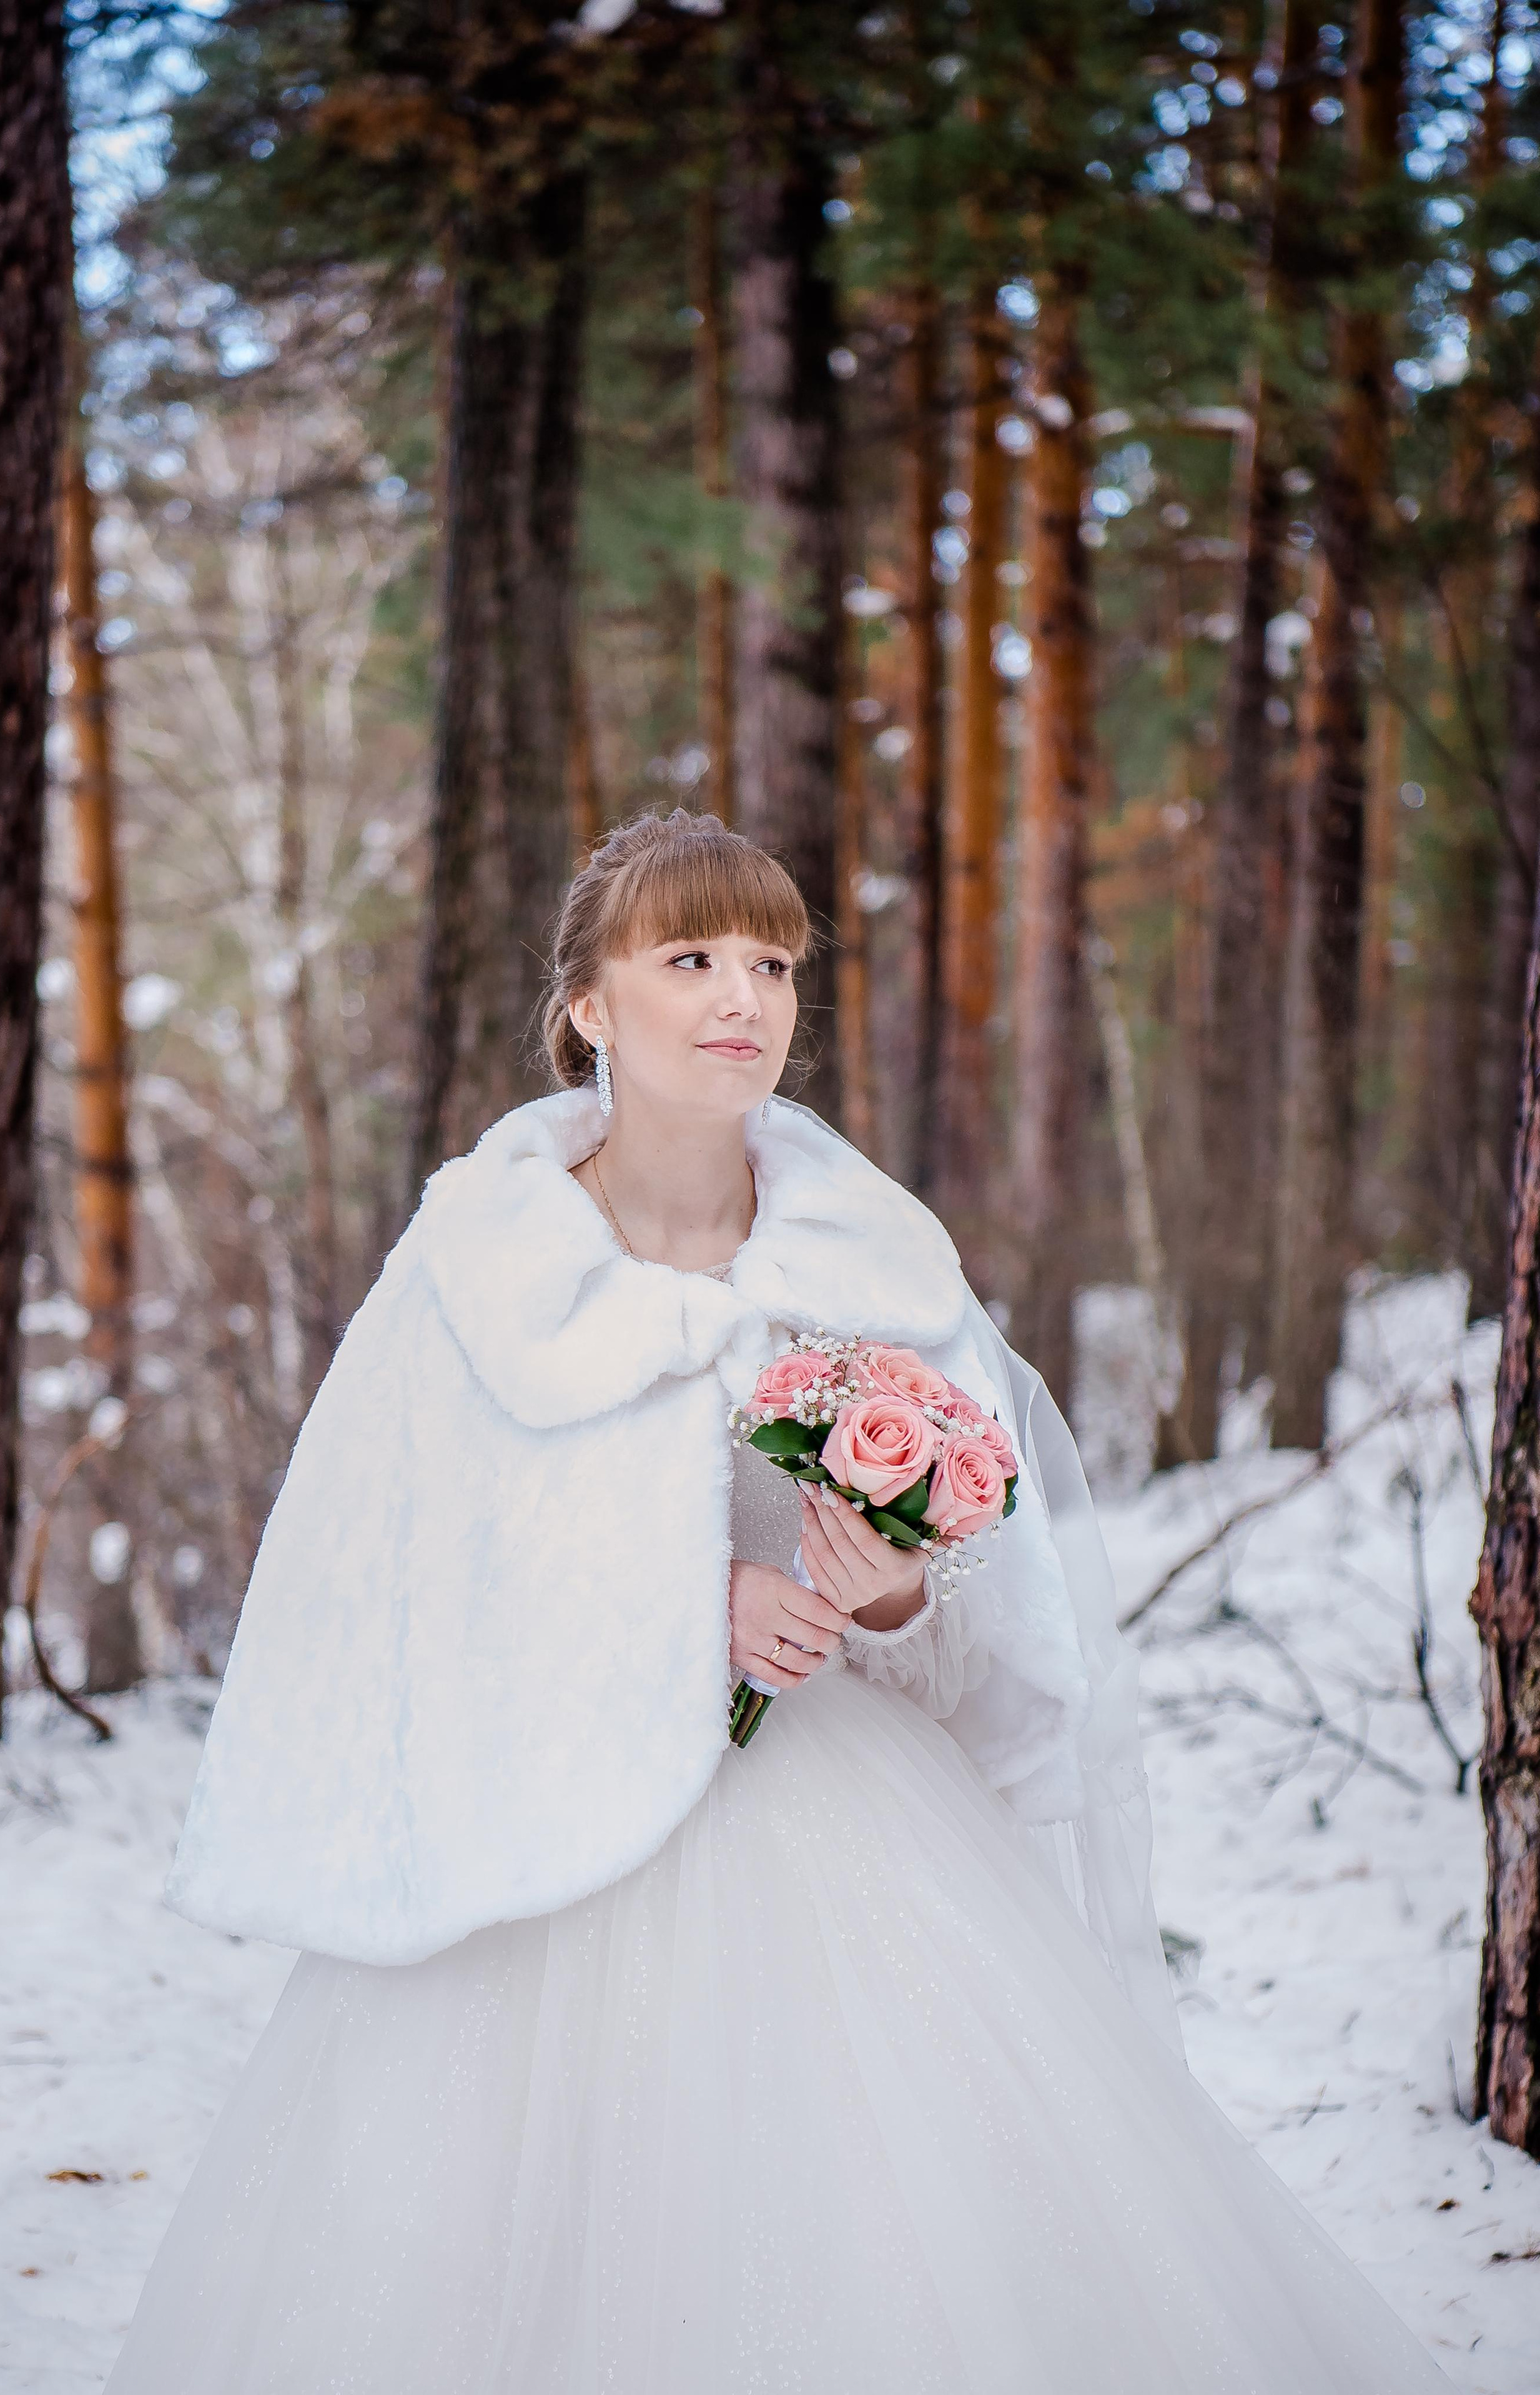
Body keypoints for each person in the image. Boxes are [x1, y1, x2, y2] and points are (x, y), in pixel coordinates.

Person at [107, 810, 1448, 2392]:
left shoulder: (869, 1264)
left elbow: (973, 1628)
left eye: (772, 962)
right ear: (590, 1008)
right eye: (690, 959)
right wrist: (693, 1609)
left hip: (837, 1823)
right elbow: (408, 1592)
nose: (743, 997)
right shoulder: (478, 1272)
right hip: (527, 1852)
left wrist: (878, 1598)